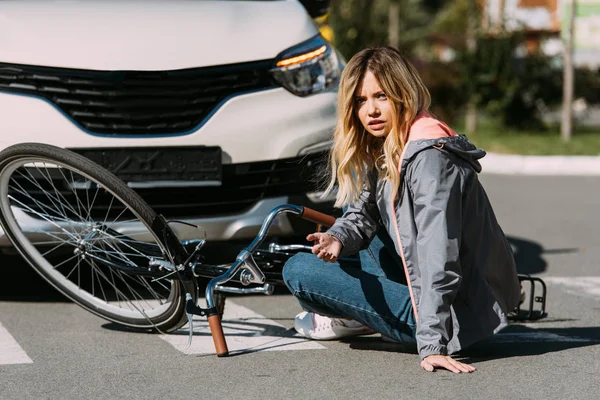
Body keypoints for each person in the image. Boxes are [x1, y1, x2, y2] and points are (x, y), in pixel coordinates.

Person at [282, 46, 521, 373]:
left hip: (451, 317)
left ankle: (362, 317)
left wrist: (432, 343)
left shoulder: (428, 160)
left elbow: (440, 253)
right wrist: (338, 238)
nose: (371, 111)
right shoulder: (395, 146)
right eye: (360, 101)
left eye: (381, 96)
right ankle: (363, 315)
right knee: (348, 247)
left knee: (299, 271)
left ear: (402, 94)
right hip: (429, 295)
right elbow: (364, 211)